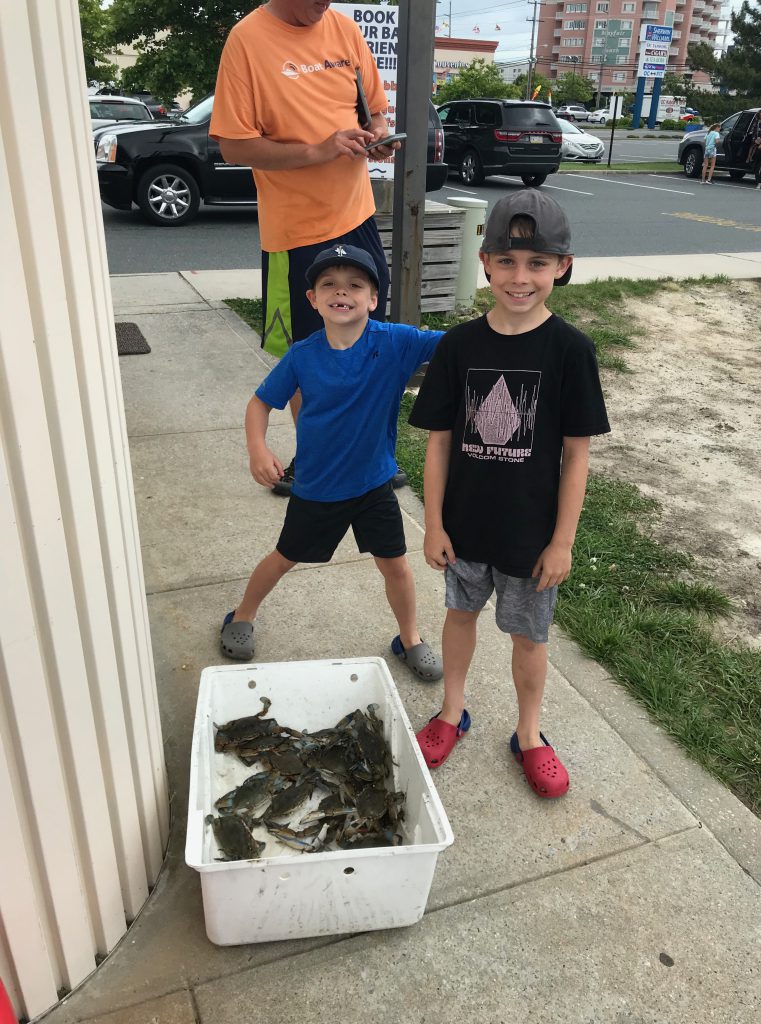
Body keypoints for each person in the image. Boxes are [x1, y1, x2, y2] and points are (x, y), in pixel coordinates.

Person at [408, 191, 610, 798]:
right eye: (508, 262)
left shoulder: (571, 350)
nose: (521, 278)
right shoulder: (458, 346)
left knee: (530, 638)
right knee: (458, 616)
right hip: (465, 527)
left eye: (538, 264)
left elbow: (577, 454)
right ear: (486, 261)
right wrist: (434, 523)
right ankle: (451, 711)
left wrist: (563, 542)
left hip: (530, 536)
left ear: (563, 267)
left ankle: (528, 734)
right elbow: (439, 443)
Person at [219, 244, 444, 683]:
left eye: (355, 285)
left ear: (373, 299)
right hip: (318, 488)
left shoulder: (397, 342)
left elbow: (457, 344)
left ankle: (410, 638)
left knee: (396, 565)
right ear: (313, 299)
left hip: (374, 484)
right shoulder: (303, 355)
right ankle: (241, 615)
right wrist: (257, 448)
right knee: (284, 558)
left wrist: (508, 324)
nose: (342, 293)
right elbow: (259, 404)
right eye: (329, 285)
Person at [210, 0, 405, 496]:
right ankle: (318, 459)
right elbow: (234, 145)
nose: (325, 4)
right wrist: (319, 150)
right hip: (294, 232)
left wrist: (380, 136)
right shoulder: (248, 41)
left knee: (368, 339)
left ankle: (372, 458)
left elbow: (375, 110)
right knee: (310, 355)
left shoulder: (342, 27)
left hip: (356, 216)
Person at [749, 110, 761, 189]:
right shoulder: (756, 123)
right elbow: (753, 132)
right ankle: (759, 182)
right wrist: (756, 140)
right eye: (760, 115)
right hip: (760, 146)